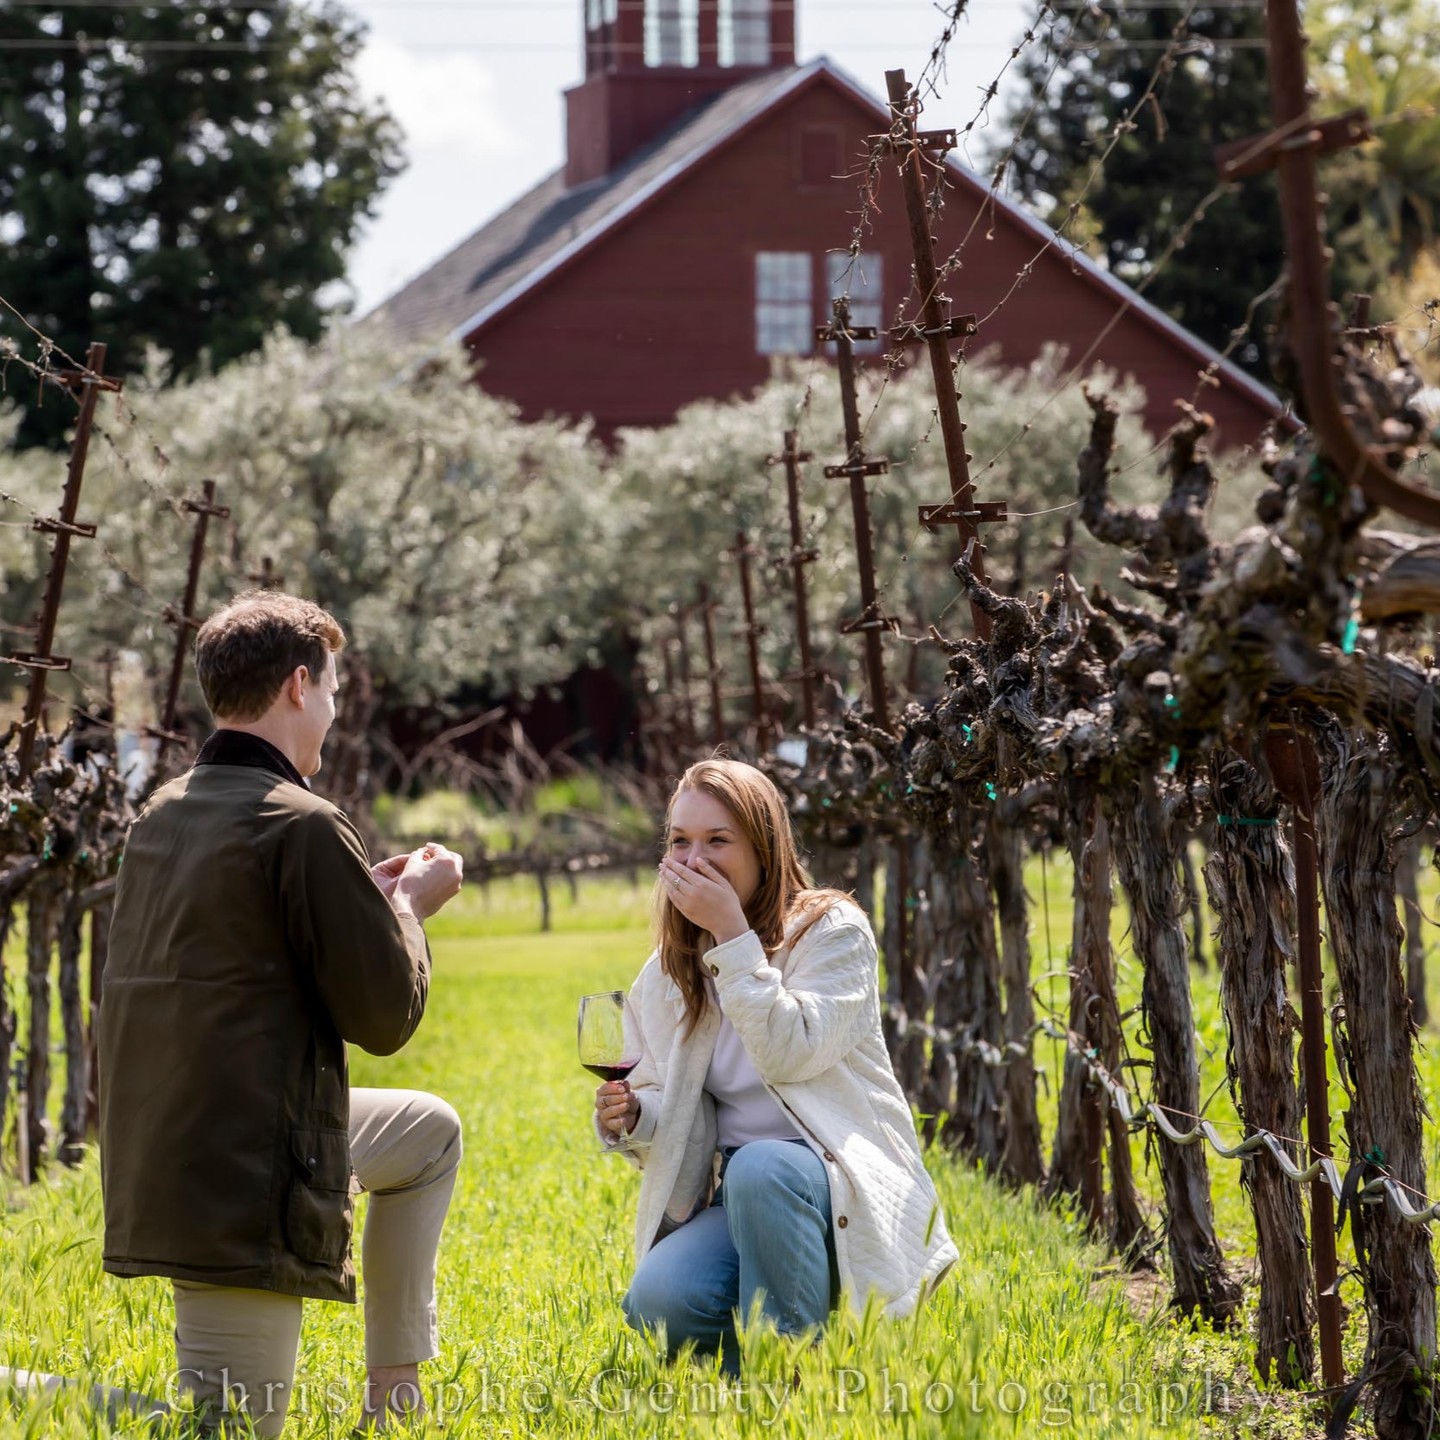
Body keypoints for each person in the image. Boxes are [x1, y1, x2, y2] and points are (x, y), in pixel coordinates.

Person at [99, 591, 465, 1435]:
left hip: (171, 1146)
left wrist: (363, 909)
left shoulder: (161, 813)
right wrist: (410, 907)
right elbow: (384, 1019)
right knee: (222, 1427)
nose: (334, 712)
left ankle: (396, 1404)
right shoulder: (303, 824)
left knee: (428, 1133)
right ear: (299, 685)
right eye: (333, 691)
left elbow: (235, 958)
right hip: (243, 1182)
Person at [594, 757, 958, 1371]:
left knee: (763, 1169)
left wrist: (734, 941)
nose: (693, 859)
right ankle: (804, 1336)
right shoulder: (668, 971)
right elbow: (668, 1099)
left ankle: (787, 1377)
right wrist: (633, 1116)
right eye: (679, 841)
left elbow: (792, 1050)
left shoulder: (831, 932)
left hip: (833, 1174)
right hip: (739, 1190)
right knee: (658, 1302)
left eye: (718, 841)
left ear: (764, 847)